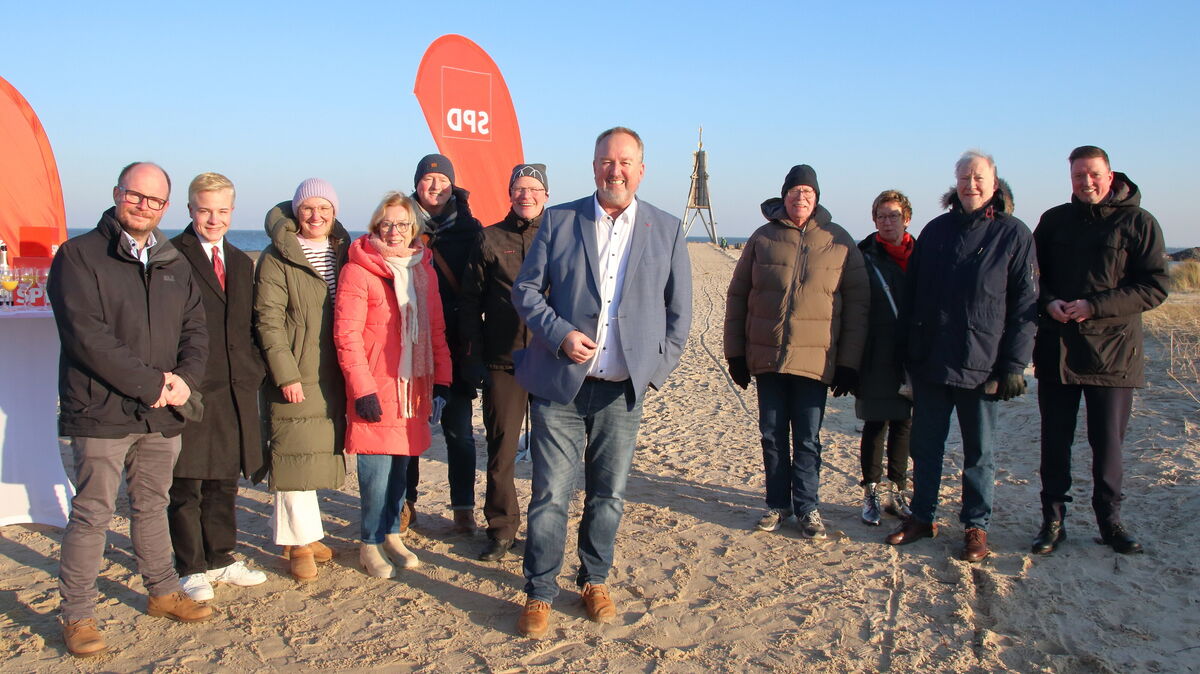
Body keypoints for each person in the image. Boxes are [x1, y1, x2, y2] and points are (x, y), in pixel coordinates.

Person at [511, 127, 692, 638]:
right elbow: (526, 291)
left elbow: (679, 314)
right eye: (606, 161)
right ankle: (540, 591)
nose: (616, 170)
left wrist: (654, 371)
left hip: (621, 390)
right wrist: (560, 333)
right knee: (550, 495)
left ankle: (593, 580)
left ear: (641, 169)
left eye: (625, 162)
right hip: (561, 387)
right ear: (593, 167)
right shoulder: (560, 219)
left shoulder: (668, 229)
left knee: (608, 494)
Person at [48, 162, 212, 657]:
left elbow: (195, 330)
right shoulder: (78, 256)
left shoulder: (172, 260)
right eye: (135, 196)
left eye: (155, 200)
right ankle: (77, 613)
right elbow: (86, 336)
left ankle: (162, 590)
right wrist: (151, 384)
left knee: (152, 504)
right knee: (93, 511)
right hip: (100, 408)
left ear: (165, 206)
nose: (144, 206)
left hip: (162, 411)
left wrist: (184, 382)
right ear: (117, 193)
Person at [886, 150, 1037, 563]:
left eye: (978, 178)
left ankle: (975, 526)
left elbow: (1026, 307)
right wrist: (907, 356)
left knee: (979, 453)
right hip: (932, 361)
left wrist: (1012, 366)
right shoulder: (935, 232)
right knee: (926, 445)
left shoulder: (1014, 235)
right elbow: (912, 298)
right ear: (954, 183)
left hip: (983, 364)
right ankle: (922, 517)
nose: (971, 184)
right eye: (964, 178)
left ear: (993, 184)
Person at [1030, 146, 1168, 555]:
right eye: (1078, 176)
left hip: (1115, 355)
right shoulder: (1054, 222)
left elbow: (1155, 285)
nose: (1085, 182)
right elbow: (1033, 277)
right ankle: (1052, 522)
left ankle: (1111, 523)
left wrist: (1095, 306)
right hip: (1058, 350)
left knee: (1107, 444)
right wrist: (1049, 302)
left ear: (1110, 176)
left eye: (1093, 174)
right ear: (1069, 178)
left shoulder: (1138, 223)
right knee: (1054, 442)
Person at [724, 164, 869, 539]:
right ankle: (777, 504)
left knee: (807, 437)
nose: (800, 198)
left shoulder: (838, 240)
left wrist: (849, 362)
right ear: (783, 197)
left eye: (807, 192)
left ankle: (807, 507)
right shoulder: (763, 237)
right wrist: (736, 354)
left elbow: (858, 303)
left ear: (817, 198)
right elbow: (738, 296)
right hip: (768, 356)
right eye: (794, 192)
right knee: (772, 435)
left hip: (814, 359)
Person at [334, 192, 452, 577]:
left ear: (414, 228)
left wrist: (443, 381)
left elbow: (435, 329)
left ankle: (391, 533)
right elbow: (346, 335)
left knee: (402, 466)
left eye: (402, 224)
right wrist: (361, 388)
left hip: (413, 385)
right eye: (387, 224)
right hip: (376, 383)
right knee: (375, 471)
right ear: (375, 227)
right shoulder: (359, 270)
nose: (395, 231)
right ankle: (368, 541)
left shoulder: (424, 270)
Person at [167, 173, 268, 600]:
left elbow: (249, 324)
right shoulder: (170, 256)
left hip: (234, 386)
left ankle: (222, 556)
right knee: (186, 481)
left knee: (224, 477)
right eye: (205, 210)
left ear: (232, 212)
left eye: (222, 211)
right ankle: (190, 566)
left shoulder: (242, 261)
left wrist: (255, 367)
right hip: (190, 384)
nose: (214, 219)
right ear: (190, 210)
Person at [255, 178, 350, 581]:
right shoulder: (277, 256)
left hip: (333, 368)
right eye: (308, 208)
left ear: (334, 213)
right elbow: (268, 320)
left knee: (314, 452)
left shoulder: (342, 252)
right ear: (296, 212)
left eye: (324, 209)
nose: (316, 216)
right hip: (296, 367)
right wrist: (285, 373)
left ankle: (308, 534)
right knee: (292, 450)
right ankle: (295, 544)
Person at [460, 163, 550, 561]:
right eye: (519, 189)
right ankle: (501, 529)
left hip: (553, 361)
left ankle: (545, 532)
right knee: (501, 454)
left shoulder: (563, 234)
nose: (526, 195)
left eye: (533, 188)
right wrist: (474, 356)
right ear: (510, 194)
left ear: (546, 194)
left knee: (554, 457)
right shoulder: (489, 238)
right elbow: (469, 303)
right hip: (504, 361)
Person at [407, 154, 484, 534]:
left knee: (459, 430)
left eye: (441, 180)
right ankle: (406, 503)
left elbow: (482, 291)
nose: (434, 186)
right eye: (427, 179)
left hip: (455, 344)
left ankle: (463, 506)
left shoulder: (470, 230)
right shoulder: (399, 224)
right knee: (408, 428)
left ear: (452, 184)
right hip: (408, 343)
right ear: (417, 184)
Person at [854, 190, 915, 525]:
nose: (887, 221)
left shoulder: (922, 254)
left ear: (906, 217)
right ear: (874, 220)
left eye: (893, 215)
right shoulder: (864, 255)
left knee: (905, 424)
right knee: (875, 424)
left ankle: (898, 491)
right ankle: (871, 493)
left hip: (911, 353)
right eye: (881, 216)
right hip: (875, 351)